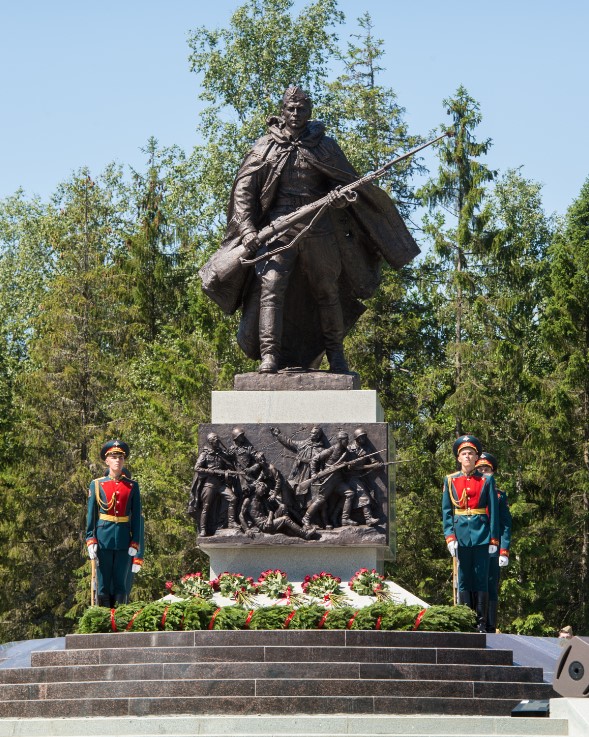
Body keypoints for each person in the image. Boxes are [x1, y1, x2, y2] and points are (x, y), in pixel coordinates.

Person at [199, 85, 420, 373]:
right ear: (282, 111)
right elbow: (243, 191)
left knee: (327, 291)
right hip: (277, 229)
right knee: (271, 289)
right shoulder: (265, 146)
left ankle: (336, 356)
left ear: (310, 111)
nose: (295, 113)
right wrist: (249, 230)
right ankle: (270, 356)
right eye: (290, 108)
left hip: (319, 227)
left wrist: (340, 200)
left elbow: (343, 185)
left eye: (301, 108)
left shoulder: (325, 146)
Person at [442, 435, 499, 632]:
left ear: (476, 458)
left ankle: (481, 622)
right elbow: (447, 511)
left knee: (481, 577)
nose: (467, 457)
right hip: (461, 536)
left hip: (482, 533)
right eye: (464, 454)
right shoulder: (450, 480)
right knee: (465, 577)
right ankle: (466, 619)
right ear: (458, 458)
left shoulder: (486, 480)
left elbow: (493, 510)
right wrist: (449, 536)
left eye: (471, 454)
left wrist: (493, 538)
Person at [86, 440, 142, 607]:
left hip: (124, 539)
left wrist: (135, 542)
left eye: (120, 457)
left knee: (120, 582)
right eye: (113, 457)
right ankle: (103, 619)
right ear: (107, 460)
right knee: (103, 582)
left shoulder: (132, 486)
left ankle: (118, 619)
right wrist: (90, 539)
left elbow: (136, 517)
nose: (117, 460)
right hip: (103, 538)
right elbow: (91, 515)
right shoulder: (97, 484)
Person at [475, 451, 512, 633]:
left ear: (493, 471)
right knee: (470, 582)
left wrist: (504, 550)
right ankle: (474, 622)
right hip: (474, 545)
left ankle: (490, 625)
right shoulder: (470, 494)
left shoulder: (499, 496)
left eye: (486, 469)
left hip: (493, 546)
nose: (483, 471)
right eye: (480, 468)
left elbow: (505, 525)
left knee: (490, 584)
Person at [187, 432, 240, 536]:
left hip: (220, 484)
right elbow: (196, 468)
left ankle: (231, 522)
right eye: (214, 439)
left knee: (233, 498)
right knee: (206, 507)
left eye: (217, 438)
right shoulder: (205, 454)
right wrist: (208, 471)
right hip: (209, 484)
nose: (217, 440)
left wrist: (228, 471)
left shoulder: (222, 453)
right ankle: (203, 529)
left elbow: (229, 465)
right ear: (210, 442)